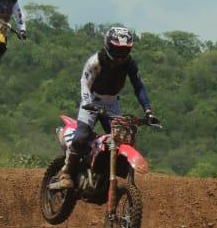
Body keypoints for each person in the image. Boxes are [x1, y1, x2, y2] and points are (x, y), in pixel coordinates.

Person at [54, 25, 160, 190]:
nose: (120, 55)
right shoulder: (96, 61)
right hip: (92, 99)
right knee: (81, 136)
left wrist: (148, 111)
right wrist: (87, 102)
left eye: (124, 50)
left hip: (111, 103)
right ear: (108, 46)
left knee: (122, 139)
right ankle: (66, 173)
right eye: (117, 50)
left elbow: (138, 86)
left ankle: (105, 174)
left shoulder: (130, 64)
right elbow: (85, 83)